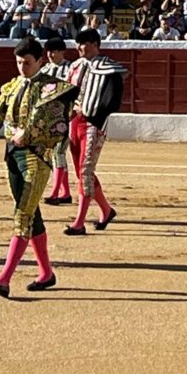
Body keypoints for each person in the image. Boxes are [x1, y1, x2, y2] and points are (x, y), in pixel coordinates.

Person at [0, 37, 78, 298]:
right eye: (18, 62)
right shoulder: (12, 86)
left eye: (27, 62)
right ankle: (46, 273)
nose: (22, 67)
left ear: (40, 60)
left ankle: (4, 278)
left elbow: (53, 125)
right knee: (31, 215)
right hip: (12, 157)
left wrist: (27, 135)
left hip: (37, 159)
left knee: (22, 216)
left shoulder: (53, 88)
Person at [64, 28, 128, 236]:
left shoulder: (108, 67)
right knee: (83, 171)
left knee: (85, 171)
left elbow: (112, 100)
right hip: (74, 123)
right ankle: (106, 211)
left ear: (94, 45)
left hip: (93, 125)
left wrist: (96, 115)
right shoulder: (75, 67)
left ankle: (79, 222)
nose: (80, 48)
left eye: (84, 43)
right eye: (78, 43)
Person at [41, 37, 75, 205]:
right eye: (48, 51)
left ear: (63, 52)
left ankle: (56, 192)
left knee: (58, 152)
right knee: (53, 155)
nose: (50, 54)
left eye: (54, 51)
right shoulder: (45, 69)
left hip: (66, 117)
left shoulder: (71, 69)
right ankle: (65, 192)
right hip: (49, 119)